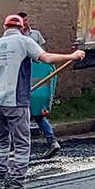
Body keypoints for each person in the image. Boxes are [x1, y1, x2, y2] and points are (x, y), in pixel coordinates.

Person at [0, 14, 85, 189]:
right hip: (15, 101)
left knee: (1, 143)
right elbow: (46, 58)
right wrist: (72, 56)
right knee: (22, 143)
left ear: (4, 27)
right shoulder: (24, 41)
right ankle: (16, 186)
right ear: (23, 28)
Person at [16, 12, 60, 159]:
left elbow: (42, 55)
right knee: (31, 115)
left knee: (35, 114)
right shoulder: (15, 38)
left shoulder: (35, 35)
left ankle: (48, 142)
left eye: (27, 20)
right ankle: (48, 142)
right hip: (22, 82)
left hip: (33, 83)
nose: (25, 23)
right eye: (23, 21)